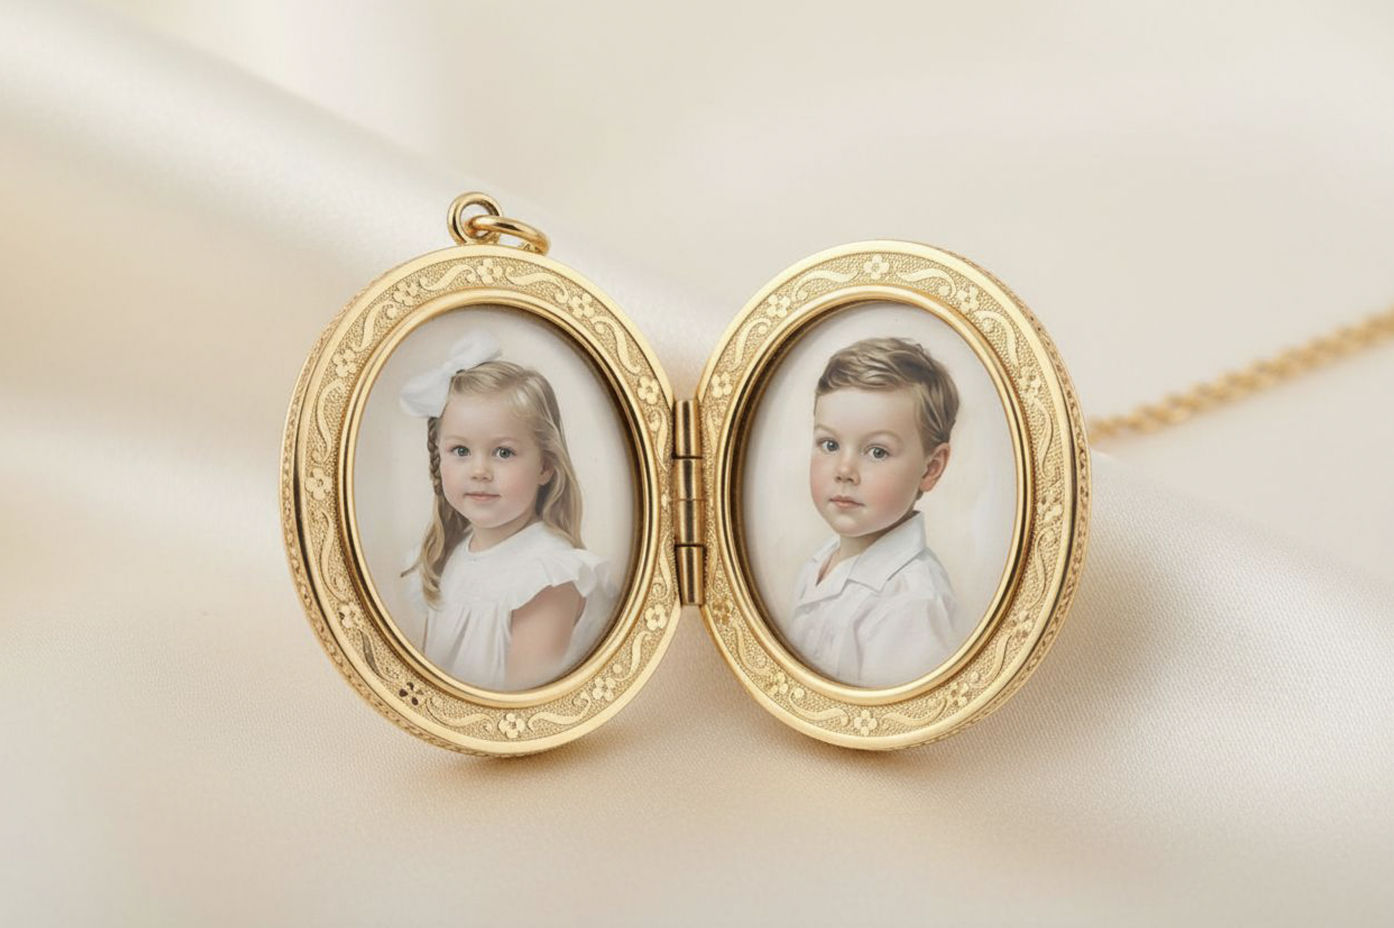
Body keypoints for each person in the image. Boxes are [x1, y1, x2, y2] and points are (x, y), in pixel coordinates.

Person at [398, 329, 615, 691]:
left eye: (503, 452)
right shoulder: (447, 554)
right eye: (461, 451)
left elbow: (524, 698)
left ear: (545, 466)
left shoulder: (545, 576)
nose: (479, 471)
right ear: (439, 457)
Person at [779, 336, 972, 687]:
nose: (844, 470)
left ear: (931, 468)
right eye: (830, 444)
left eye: (877, 452)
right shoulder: (820, 563)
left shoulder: (911, 602)